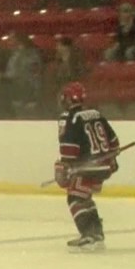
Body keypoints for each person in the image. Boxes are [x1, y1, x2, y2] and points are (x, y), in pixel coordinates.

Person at [54, 82, 120, 251]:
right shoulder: (96, 114)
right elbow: (114, 142)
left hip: (86, 167)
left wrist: (64, 167)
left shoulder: (69, 118)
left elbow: (69, 152)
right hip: (104, 166)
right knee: (84, 196)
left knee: (74, 198)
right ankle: (96, 234)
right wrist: (112, 160)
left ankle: (89, 235)